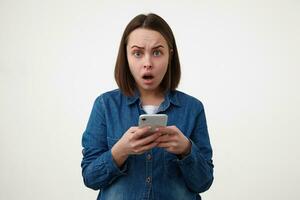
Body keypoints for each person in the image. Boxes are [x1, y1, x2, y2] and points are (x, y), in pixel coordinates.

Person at [81, 13, 214, 200]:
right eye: (137, 53)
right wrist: (120, 150)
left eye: (157, 52)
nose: (148, 63)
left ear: (170, 55)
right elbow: (90, 178)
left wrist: (186, 150)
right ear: (126, 56)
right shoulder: (105, 105)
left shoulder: (193, 108)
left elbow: (204, 182)